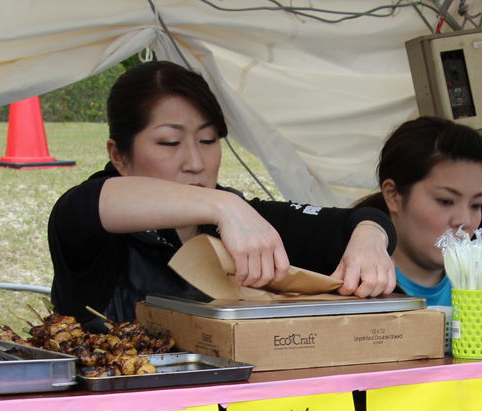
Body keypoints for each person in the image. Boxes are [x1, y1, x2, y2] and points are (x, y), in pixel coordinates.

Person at [48, 60, 396, 323]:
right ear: (119, 156)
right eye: (169, 142)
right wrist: (224, 207)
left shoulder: (245, 221)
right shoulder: (91, 230)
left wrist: (369, 237)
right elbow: (89, 205)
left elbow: (358, 219)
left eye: (208, 140)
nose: (195, 162)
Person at [355, 116, 482, 307]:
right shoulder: (352, 284)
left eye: (476, 204)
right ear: (393, 195)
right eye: (445, 201)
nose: (464, 220)